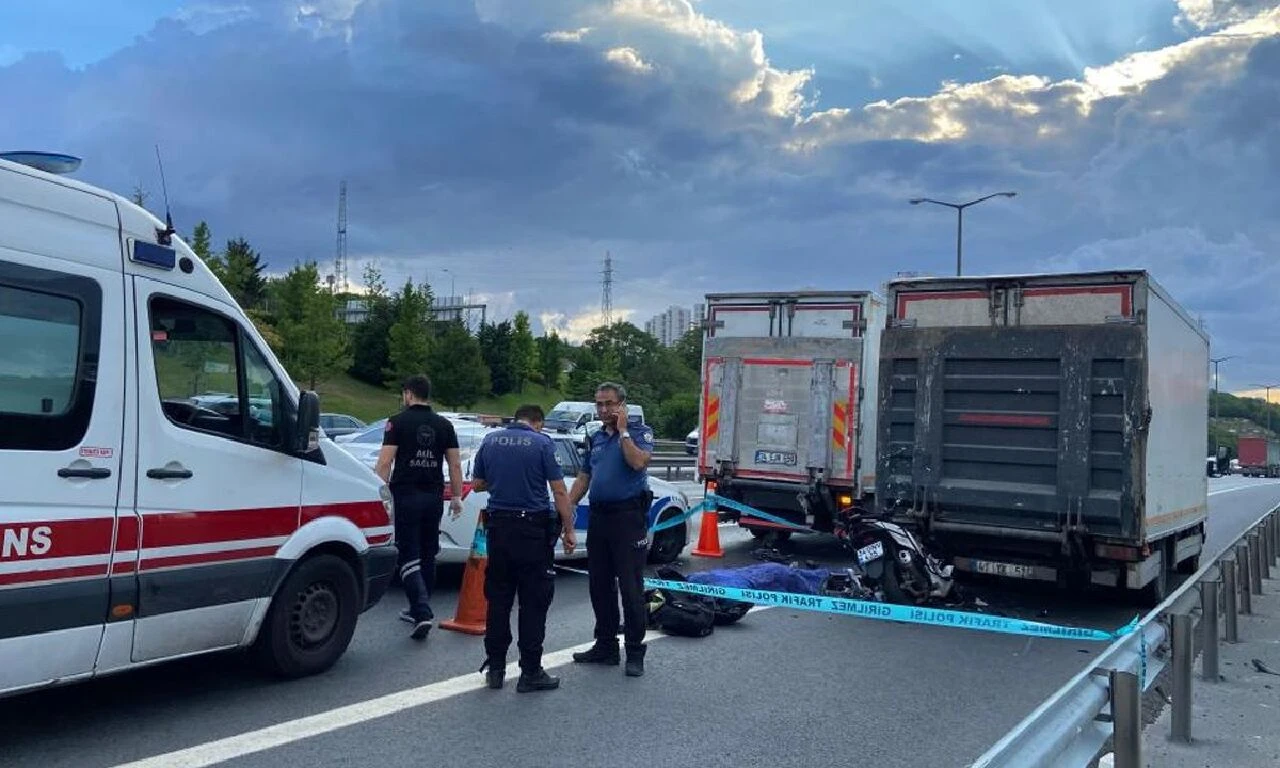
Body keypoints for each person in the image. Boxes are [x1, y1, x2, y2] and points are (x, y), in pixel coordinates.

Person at [470, 404, 578, 692]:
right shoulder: (543, 443)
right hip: (532, 531)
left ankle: (495, 668)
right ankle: (530, 672)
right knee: (534, 601)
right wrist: (568, 530)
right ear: (538, 423)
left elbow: (478, 484)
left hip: (499, 529)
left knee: (499, 599)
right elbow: (558, 491)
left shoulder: (490, 441)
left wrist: (504, 480)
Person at [569, 381, 655, 677]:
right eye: (599, 404)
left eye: (609, 404)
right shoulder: (595, 438)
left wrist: (623, 431)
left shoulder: (639, 433)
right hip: (600, 518)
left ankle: (634, 651)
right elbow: (584, 477)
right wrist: (566, 508)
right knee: (599, 586)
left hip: (627, 518)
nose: (603, 409)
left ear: (622, 406)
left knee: (630, 587)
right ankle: (605, 646)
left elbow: (637, 462)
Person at [374, 374, 463, 640]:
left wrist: (380, 494)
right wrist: (457, 497)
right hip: (433, 495)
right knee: (428, 551)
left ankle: (421, 611)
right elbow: (455, 465)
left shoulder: (397, 422)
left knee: (407, 552)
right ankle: (418, 607)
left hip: (406, 494)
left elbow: (385, 462)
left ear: (409, 395)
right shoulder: (445, 425)